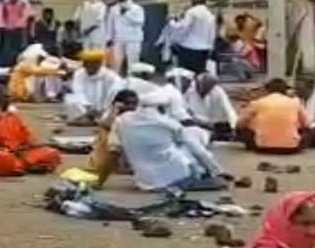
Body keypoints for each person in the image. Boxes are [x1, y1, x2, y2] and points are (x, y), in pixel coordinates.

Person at [97, 90, 227, 192]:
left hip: (145, 182)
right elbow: (199, 151)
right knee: (190, 143)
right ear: (160, 108)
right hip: (176, 178)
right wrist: (218, 171)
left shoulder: (121, 121)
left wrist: (100, 180)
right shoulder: (168, 123)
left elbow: (114, 150)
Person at [0, 83, 62, 177]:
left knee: (51, 153)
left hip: (17, 154)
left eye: (8, 95)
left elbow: (27, 139)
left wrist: (38, 145)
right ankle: (22, 166)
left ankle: (20, 166)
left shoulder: (12, 116)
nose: (9, 98)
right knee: (4, 159)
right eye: (5, 96)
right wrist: (0, 150)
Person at [236, 78, 311, 154]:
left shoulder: (257, 103)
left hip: (262, 147)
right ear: (285, 91)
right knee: (309, 131)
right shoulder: (295, 102)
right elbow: (307, 124)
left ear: (267, 90)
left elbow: (239, 124)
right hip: (291, 148)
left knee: (242, 130)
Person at [64, 49, 121, 124]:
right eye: (85, 63)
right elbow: (78, 91)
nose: (86, 66)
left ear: (98, 64)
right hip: (86, 107)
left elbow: (114, 93)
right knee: (70, 98)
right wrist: (88, 107)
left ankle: (92, 118)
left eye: (89, 63)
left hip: (104, 108)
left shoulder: (111, 76)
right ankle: (87, 118)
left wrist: (103, 108)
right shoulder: (79, 73)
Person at [170, 0, 216, 74]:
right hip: (204, 50)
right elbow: (212, 33)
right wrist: (211, 47)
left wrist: (172, 22)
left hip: (190, 48)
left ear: (193, 2)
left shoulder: (192, 12)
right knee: (199, 73)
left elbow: (183, 27)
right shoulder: (210, 15)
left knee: (186, 74)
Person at [185, 72, 238, 141]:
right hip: (195, 122)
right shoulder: (189, 90)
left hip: (215, 123)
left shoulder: (218, 91)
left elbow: (229, 110)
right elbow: (184, 107)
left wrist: (234, 127)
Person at [107, 0, 145, 73]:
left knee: (133, 62)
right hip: (119, 38)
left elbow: (140, 22)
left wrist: (127, 14)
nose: (123, 1)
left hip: (133, 39)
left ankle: (132, 82)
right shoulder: (114, 9)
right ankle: (116, 82)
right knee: (116, 61)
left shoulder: (137, 8)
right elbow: (110, 24)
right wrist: (109, 37)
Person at [1, 0, 32, 67]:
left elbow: (26, 16)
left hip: (20, 30)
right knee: (8, 50)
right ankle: (9, 66)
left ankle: (20, 66)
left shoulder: (24, 2)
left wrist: (17, 25)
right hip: (8, 30)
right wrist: (5, 25)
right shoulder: (5, 1)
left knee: (20, 49)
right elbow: (3, 14)